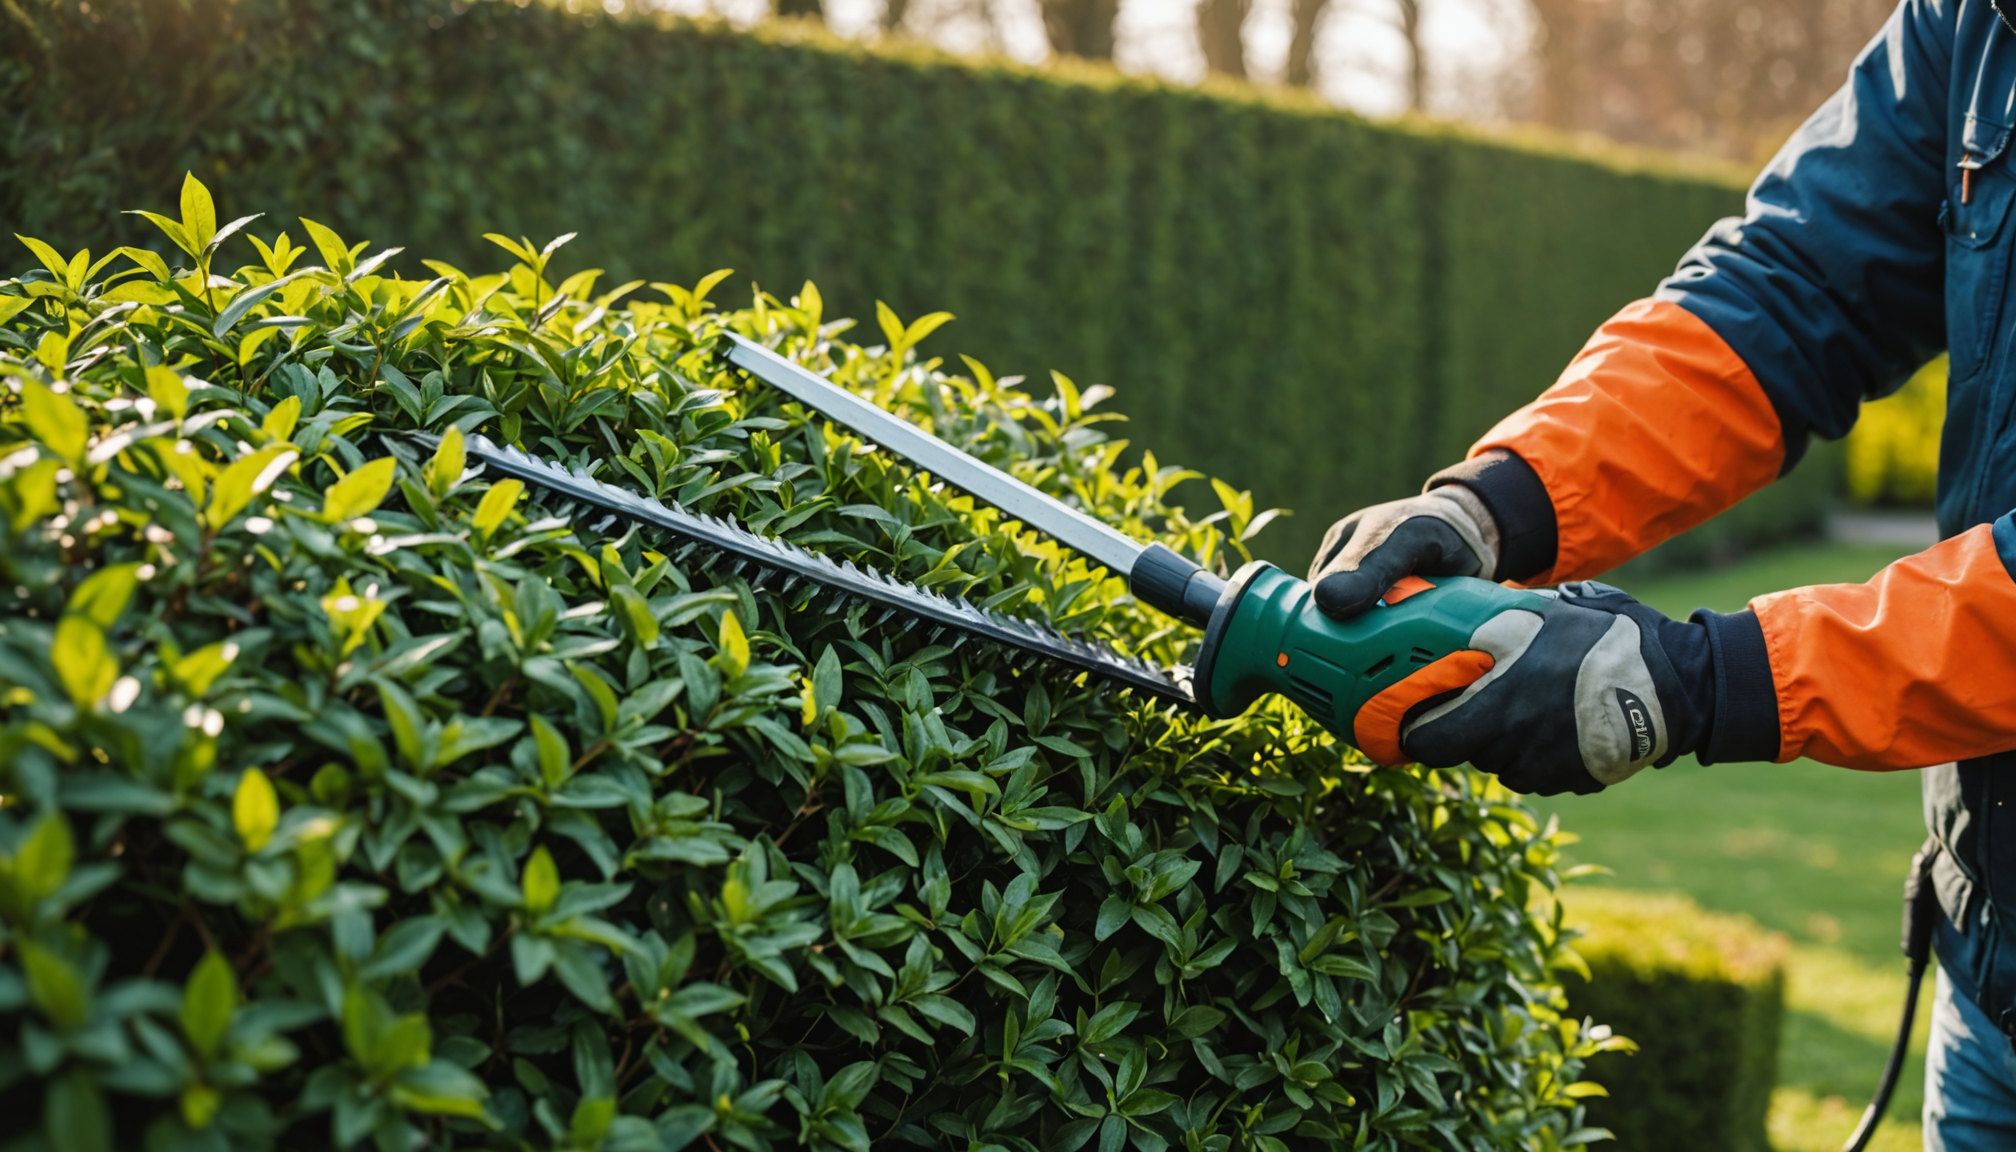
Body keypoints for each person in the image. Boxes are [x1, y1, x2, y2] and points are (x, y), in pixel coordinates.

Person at [1303, 2, 2016, 1146]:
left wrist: (1701, 679)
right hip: (1996, 985)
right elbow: (1794, 291)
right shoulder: (1979, 29)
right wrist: (1496, 504)